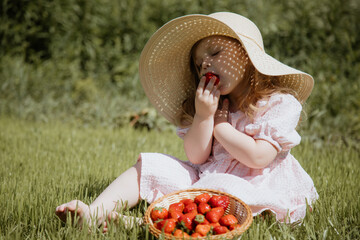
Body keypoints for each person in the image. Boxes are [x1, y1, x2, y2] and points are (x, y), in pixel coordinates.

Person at [55, 12, 318, 230]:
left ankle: (139, 225)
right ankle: (95, 212)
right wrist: (204, 116)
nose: (205, 63)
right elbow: (196, 157)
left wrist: (222, 127)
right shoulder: (209, 105)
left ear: (247, 56)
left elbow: (258, 158)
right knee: (151, 165)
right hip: (207, 176)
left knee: (219, 189)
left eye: (215, 52)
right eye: (198, 62)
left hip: (257, 184)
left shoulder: (277, 103)